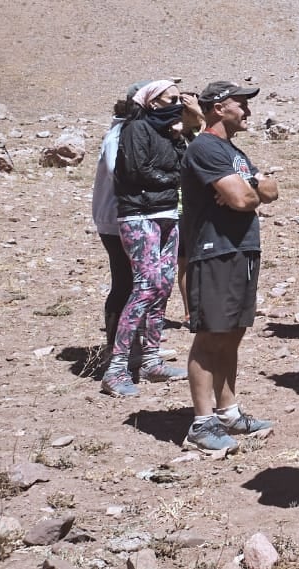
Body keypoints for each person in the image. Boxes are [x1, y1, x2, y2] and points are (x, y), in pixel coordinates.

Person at [178, 81, 278, 454]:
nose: (248, 111)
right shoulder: (205, 148)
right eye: (241, 104)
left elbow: (271, 190)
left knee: (233, 332)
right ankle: (202, 424)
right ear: (219, 108)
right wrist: (249, 188)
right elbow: (241, 199)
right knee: (210, 336)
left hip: (241, 249)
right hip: (214, 250)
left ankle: (228, 412)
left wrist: (250, 184)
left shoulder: (232, 152)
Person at [102, 80, 192, 396]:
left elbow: (185, 166)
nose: (179, 103)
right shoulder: (134, 130)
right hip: (139, 216)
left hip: (166, 214)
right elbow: (138, 172)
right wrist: (174, 182)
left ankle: (151, 359)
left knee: (164, 285)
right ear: (153, 102)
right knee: (145, 285)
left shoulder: (170, 133)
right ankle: (116, 368)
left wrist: (181, 136)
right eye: (173, 98)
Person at [92, 84, 142, 355]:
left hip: (129, 217)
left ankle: (132, 343)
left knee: (137, 282)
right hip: (117, 219)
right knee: (124, 282)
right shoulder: (119, 135)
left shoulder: (130, 132)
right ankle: (117, 346)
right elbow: (119, 174)